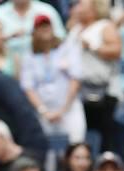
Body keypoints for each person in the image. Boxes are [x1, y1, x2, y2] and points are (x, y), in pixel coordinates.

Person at [65, 0, 123, 153]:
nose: (77, 7)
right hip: (79, 90)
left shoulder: (105, 26)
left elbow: (116, 51)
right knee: (80, 134)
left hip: (103, 91)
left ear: (94, 9)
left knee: (106, 135)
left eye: (81, 4)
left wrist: (93, 46)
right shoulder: (75, 28)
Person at [20, 13, 86, 145]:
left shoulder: (66, 49)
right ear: (34, 32)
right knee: (48, 152)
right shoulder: (29, 57)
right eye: (41, 27)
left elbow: (76, 79)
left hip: (69, 109)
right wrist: (44, 111)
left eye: (47, 26)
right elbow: (28, 87)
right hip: (45, 113)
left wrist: (63, 109)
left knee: (74, 145)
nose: (45, 29)